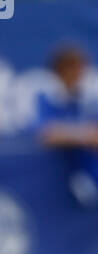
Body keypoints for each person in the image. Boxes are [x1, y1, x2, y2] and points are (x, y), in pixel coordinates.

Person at [33, 44, 98, 206]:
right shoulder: (45, 95)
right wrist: (85, 135)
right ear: (60, 70)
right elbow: (47, 133)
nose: (79, 73)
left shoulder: (83, 97)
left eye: (81, 67)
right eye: (74, 67)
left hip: (85, 172)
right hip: (52, 176)